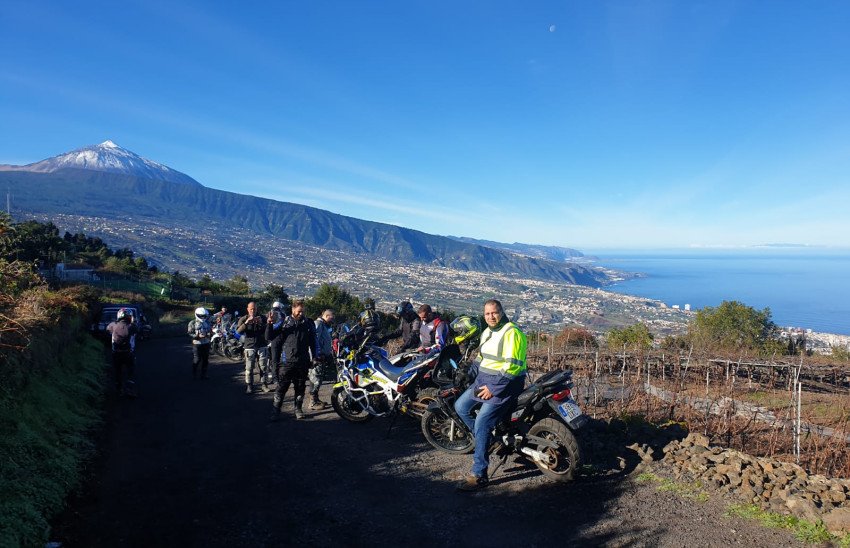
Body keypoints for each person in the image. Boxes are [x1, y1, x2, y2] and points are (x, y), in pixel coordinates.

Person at [454, 299, 527, 491]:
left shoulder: (512, 332)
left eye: (494, 313)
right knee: (460, 407)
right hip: (484, 381)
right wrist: (468, 373)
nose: (491, 317)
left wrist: (493, 389)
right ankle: (489, 441)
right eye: (487, 314)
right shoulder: (487, 332)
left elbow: (513, 366)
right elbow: (481, 358)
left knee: (482, 422)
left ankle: (479, 474)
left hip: (504, 385)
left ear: (501, 312)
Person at [270, 300, 318, 421]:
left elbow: (313, 342)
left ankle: (298, 409)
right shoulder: (285, 322)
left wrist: (315, 357)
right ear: (293, 310)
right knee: (282, 387)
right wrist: (270, 324)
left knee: (300, 387)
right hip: (287, 362)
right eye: (298, 311)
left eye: (303, 311)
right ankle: (276, 411)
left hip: (303, 361)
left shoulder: (308, 323)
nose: (301, 313)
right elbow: (271, 337)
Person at [107, 307, 139, 395]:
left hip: (116, 353)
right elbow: (137, 330)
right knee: (130, 371)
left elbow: (108, 330)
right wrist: (133, 321)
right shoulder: (132, 326)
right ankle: (130, 389)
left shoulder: (112, 325)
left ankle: (118, 389)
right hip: (128, 353)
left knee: (118, 371)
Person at [237, 301, 267, 394]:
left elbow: (267, 331)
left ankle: (264, 385)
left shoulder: (262, 318)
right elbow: (238, 332)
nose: (253, 310)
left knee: (263, 367)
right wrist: (246, 323)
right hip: (249, 346)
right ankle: (249, 386)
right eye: (251, 309)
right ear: (247, 309)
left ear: (257, 309)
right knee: (249, 368)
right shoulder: (243, 319)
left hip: (262, 345)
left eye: (254, 308)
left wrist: (261, 323)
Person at [309, 309, 335, 410]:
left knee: (318, 379)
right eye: (331, 317)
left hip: (323, 356)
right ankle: (312, 402)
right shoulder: (318, 324)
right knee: (315, 379)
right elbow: (315, 340)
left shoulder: (323, 325)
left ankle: (316, 399)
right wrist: (316, 356)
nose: (332, 320)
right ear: (327, 316)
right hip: (318, 357)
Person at [265, 301, 288, 385]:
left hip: (272, 339)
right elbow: (281, 324)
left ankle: (275, 377)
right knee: (279, 359)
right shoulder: (281, 314)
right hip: (280, 338)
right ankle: (278, 377)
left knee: (274, 360)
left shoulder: (270, 313)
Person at [187, 307, 212, 380]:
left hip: (206, 343)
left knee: (205, 360)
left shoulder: (207, 322)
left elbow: (210, 331)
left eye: (204, 316)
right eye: (201, 316)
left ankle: (203, 375)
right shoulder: (192, 322)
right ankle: (194, 374)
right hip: (197, 343)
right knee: (197, 359)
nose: (203, 317)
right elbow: (189, 333)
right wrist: (197, 336)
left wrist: (210, 334)